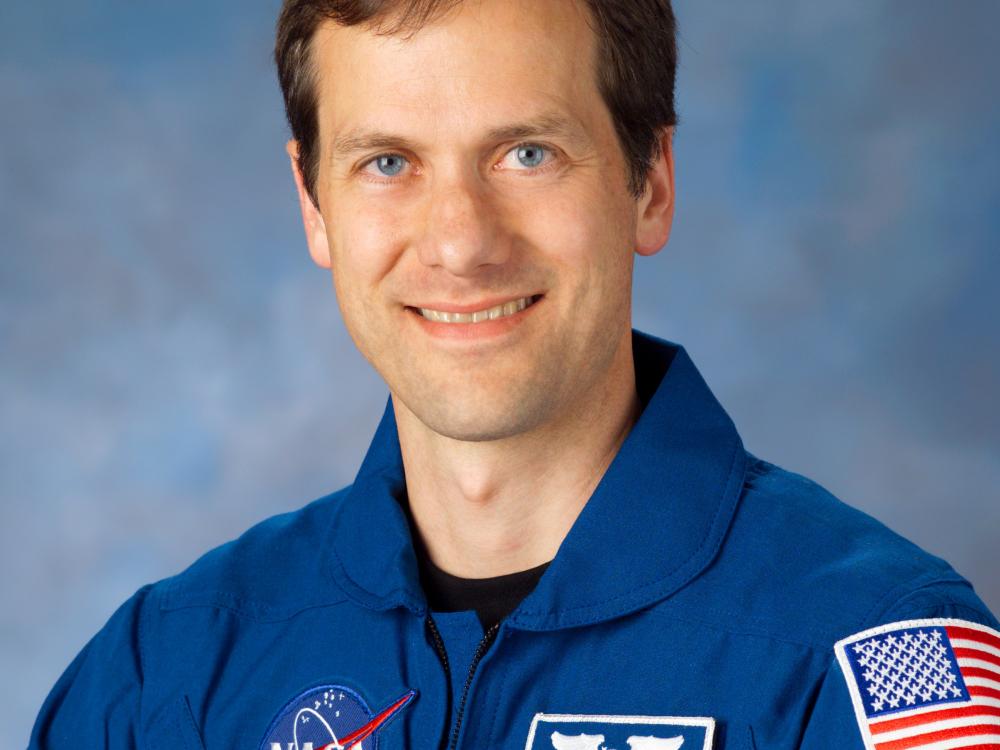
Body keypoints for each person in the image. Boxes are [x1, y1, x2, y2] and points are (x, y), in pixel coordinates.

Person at [30, 0, 999, 748]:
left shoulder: (873, 653)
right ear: (313, 204)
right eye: (387, 163)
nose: (459, 242)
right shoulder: (167, 673)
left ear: (648, 183)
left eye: (526, 154)